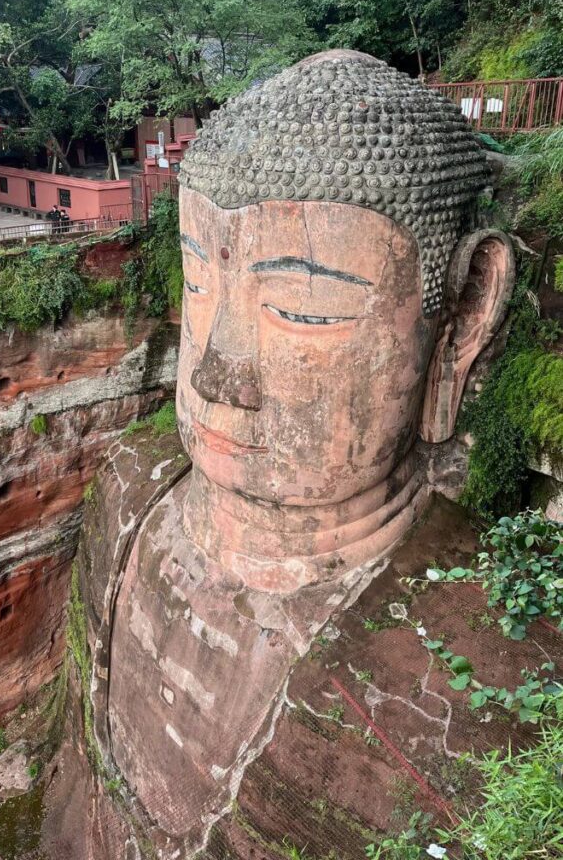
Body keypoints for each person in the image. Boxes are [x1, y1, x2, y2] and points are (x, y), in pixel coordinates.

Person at [100, 50, 515, 853]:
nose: (219, 373)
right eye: (196, 283)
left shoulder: (460, 699)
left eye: (302, 307)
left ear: (463, 317)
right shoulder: (130, 493)